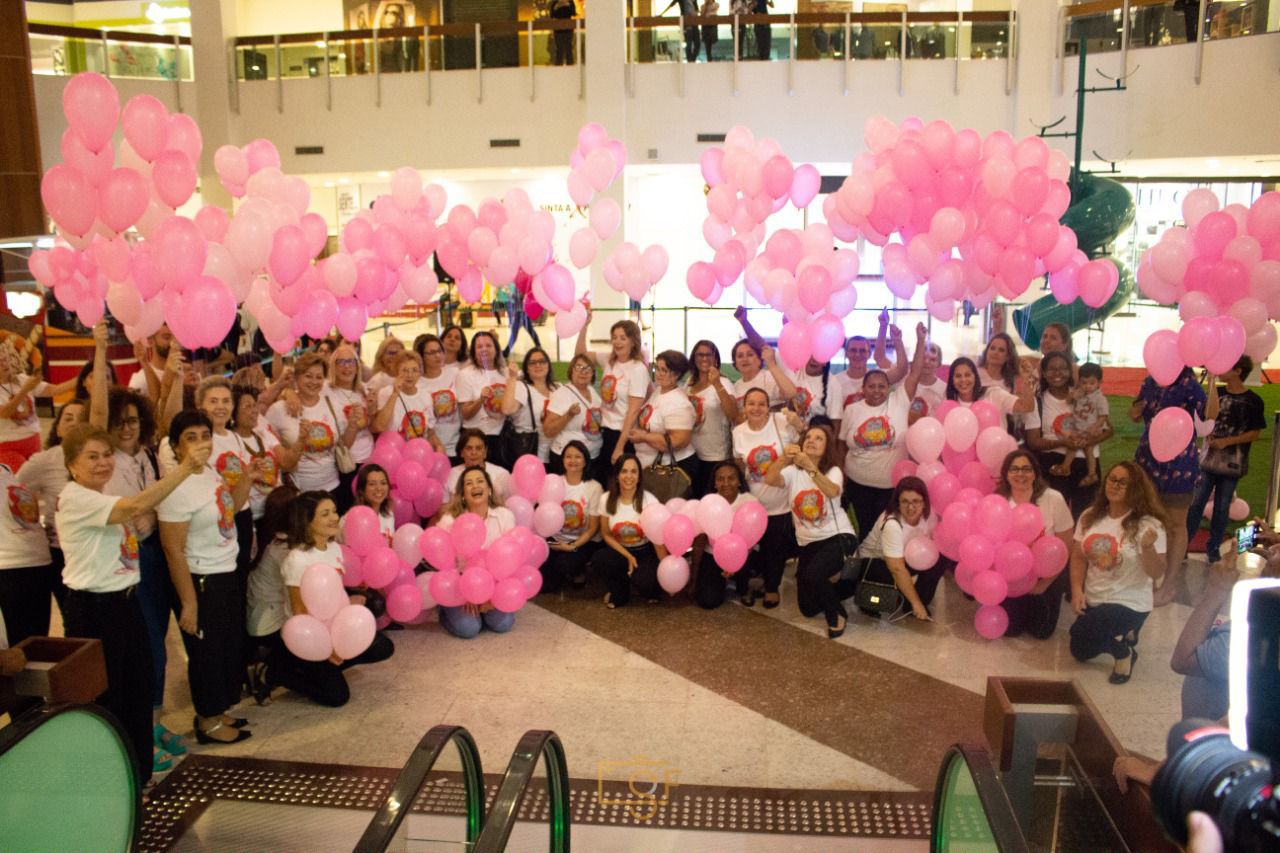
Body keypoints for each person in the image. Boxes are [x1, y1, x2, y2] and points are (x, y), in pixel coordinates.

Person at [56, 422, 211, 783]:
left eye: (107, 455)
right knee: (109, 700)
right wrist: (186, 468)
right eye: (91, 457)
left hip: (126, 602)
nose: (102, 462)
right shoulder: (77, 498)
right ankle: (114, 783)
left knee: (139, 691)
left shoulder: (102, 498)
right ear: (72, 465)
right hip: (93, 610)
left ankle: (140, 778)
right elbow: (138, 504)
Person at [158, 410, 261, 745]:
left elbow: (228, 512)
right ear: (175, 446)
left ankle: (218, 711)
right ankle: (207, 721)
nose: (201, 444)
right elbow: (173, 551)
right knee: (206, 653)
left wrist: (246, 478)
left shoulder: (210, 474)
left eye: (205, 436)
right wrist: (188, 603)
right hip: (201, 578)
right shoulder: (175, 487)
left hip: (224, 570)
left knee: (225, 646)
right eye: (191, 438)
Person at [270, 490, 394, 704]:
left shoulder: (334, 547)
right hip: (311, 637)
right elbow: (299, 611)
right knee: (337, 698)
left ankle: (330, 664)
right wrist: (326, 648)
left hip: (336, 626)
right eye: (325, 514)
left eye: (334, 511)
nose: (335, 517)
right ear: (308, 522)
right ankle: (277, 674)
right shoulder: (297, 559)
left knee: (383, 647)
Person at [1069, 461, 1168, 684]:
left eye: (1123, 483)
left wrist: (1148, 547)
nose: (1115, 485)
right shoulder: (1089, 516)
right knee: (1079, 651)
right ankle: (1126, 634)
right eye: (1112, 479)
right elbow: (1078, 557)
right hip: (1096, 599)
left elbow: (1156, 572)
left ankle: (1123, 652)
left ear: (1136, 489)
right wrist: (1076, 590)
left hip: (1129, 602)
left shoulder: (1149, 524)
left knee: (1084, 630)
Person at [765, 424, 856, 638]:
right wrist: (783, 459)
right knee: (808, 608)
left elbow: (832, 491)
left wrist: (810, 467)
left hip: (838, 537)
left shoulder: (833, 471)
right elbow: (770, 479)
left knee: (813, 575)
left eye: (818, 439)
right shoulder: (792, 472)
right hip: (808, 543)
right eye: (808, 437)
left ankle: (837, 615)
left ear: (827, 448)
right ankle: (848, 588)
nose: (811, 440)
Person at [839, 322, 927, 537]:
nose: (876, 390)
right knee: (864, 532)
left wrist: (920, 341)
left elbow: (914, 372)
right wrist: (842, 475)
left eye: (881, 386)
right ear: (863, 388)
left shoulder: (899, 402)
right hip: (857, 486)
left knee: (888, 532)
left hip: (891, 487)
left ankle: (884, 569)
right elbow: (842, 444)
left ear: (888, 388)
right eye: (871, 386)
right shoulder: (851, 409)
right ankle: (865, 570)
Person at [1131, 366, 1206, 607]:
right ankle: (1148, 580)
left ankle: (1169, 584)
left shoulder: (1190, 385)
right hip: (1148, 457)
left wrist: (1213, 381)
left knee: (1175, 524)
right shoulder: (1150, 382)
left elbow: (1208, 415)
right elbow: (1135, 413)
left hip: (1180, 462)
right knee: (1144, 519)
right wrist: (1137, 408)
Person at [1186, 357, 1266, 566]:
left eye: (1226, 366)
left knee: (1222, 507)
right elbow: (1207, 415)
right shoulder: (1217, 394)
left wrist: (1228, 441)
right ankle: (1184, 544)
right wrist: (1212, 383)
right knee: (1196, 504)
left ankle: (1213, 548)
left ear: (1238, 371)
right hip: (1208, 461)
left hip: (1233, 463)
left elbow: (1255, 433)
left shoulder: (1253, 401)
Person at [732, 388, 804, 608]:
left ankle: (772, 587)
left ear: (768, 406)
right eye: (751, 403)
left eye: (761, 404)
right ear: (744, 407)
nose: (756, 408)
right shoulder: (738, 432)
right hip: (752, 505)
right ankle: (747, 586)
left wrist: (799, 424)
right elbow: (738, 463)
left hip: (780, 502)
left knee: (776, 549)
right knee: (748, 548)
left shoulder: (782, 421)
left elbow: (804, 439)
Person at [17, 399, 87, 616]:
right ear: (57, 427)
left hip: (96, 549)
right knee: (75, 618)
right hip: (61, 552)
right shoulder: (44, 461)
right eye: (68, 418)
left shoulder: (106, 458)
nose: (74, 423)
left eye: (81, 418)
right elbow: (16, 493)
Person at [995, 451, 1075, 639]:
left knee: (1041, 632)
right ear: (1006, 474)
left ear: (1035, 473)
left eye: (1026, 469)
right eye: (1014, 469)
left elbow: (1066, 546)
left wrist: (1045, 584)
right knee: (1011, 630)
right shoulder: (999, 502)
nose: (1020, 474)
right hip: (1012, 576)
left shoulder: (1052, 498)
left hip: (1046, 575)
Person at [266, 353, 358, 513]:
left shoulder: (332, 404)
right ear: (296, 377)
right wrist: (287, 392)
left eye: (319, 377)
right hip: (298, 493)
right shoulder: (278, 410)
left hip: (333, 488)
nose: (314, 382)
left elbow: (345, 445)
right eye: (308, 376)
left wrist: (352, 425)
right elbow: (268, 446)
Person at [434, 467, 518, 637]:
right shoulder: (450, 520)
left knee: (503, 624)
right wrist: (467, 594)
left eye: (480, 481)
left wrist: (492, 597)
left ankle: (483, 612)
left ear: (488, 489)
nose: (475, 486)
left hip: (494, 585)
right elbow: (444, 566)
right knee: (469, 629)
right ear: (463, 493)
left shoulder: (505, 516)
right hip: (459, 586)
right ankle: (444, 610)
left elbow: (511, 561)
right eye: (469, 483)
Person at [194, 377, 259, 588]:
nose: (220, 407)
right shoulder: (199, 442)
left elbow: (244, 482)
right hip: (220, 520)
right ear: (200, 406)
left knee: (242, 579)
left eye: (225, 401)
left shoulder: (235, 437)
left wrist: (253, 530)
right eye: (213, 401)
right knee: (226, 582)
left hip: (243, 515)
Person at [1025, 353, 1106, 517]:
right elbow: (1033, 442)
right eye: (1052, 369)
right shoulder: (1037, 402)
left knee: (1085, 518)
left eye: (1063, 369)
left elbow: (1106, 431)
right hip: (1053, 466)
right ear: (1044, 373)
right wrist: (1063, 443)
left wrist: (1085, 440)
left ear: (1071, 372)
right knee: (1052, 517)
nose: (1057, 373)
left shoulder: (1086, 395)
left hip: (1087, 464)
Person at [575, 313, 650, 481]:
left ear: (633, 341)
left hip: (622, 434)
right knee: (602, 480)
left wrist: (620, 446)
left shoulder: (637, 369)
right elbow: (580, 355)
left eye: (623, 338)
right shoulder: (609, 360)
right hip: (605, 431)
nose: (617, 342)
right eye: (614, 337)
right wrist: (584, 327)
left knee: (619, 482)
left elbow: (633, 412)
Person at [855, 476, 938, 622]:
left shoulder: (929, 516)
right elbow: (896, 568)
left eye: (916, 501)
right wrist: (916, 603)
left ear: (924, 502)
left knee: (938, 561)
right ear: (898, 504)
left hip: (904, 558)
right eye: (905, 501)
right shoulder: (892, 523)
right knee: (892, 599)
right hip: (876, 563)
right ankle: (876, 601)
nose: (910, 507)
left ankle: (910, 601)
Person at [590, 455, 669, 608]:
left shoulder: (650, 501)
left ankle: (648, 587)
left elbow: (658, 542)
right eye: (624, 471)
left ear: (639, 477)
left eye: (634, 472)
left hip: (645, 551)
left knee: (646, 583)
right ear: (617, 476)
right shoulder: (606, 499)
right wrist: (628, 556)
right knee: (599, 559)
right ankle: (620, 588)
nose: (628, 476)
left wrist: (667, 573)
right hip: (620, 551)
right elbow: (606, 534)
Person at [244, 484, 297, 704]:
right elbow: (297, 596)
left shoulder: (277, 540)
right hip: (267, 623)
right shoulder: (282, 550)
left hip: (268, 614)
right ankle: (268, 670)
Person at [690, 461, 759, 609]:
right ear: (714, 483)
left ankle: (744, 587)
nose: (726, 483)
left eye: (731, 478)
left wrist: (734, 563)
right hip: (713, 554)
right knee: (708, 601)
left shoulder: (750, 502)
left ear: (739, 481)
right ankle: (721, 583)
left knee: (743, 577)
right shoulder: (708, 504)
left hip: (742, 554)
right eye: (720, 479)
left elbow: (751, 540)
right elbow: (700, 542)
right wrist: (694, 579)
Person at [232, 384, 299, 531]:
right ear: (233, 412)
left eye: (255, 405)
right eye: (247, 406)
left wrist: (301, 440)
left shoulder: (263, 433)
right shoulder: (230, 443)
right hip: (250, 518)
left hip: (277, 511)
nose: (254, 411)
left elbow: (287, 463)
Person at [0, 462, 53, 646]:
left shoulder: (5, 469)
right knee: (20, 648)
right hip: (10, 569)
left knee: (37, 646)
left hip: (37, 563)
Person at [629, 351, 698, 484]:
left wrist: (643, 437)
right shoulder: (659, 391)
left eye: (664, 370)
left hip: (672, 469)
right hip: (651, 466)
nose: (659, 373)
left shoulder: (679, 403)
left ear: (676, 374)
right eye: (657, 368)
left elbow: (677, 442)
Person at [541, 441, 601, 593]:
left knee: (568, 563)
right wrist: (551, 543)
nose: (573, 461)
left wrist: (572, 546)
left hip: (580, 542)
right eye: (568, 457)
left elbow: (593, 528)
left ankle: (578, 572)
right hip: (554, 540)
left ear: (585, 460)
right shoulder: (553, 482)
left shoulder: (594, 487)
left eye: (577, 457)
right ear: (562, 460)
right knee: (547, 586)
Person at [686, 340, 738, 496]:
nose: (704, 358)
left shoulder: (724, 382)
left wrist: (716, 384)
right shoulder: (688, 384)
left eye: (708, 355)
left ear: (715, 358)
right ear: (694, 358)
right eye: (700, 354)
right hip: (692, 453)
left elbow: (733, 414)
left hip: (716, 455)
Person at [326, 343, 377, 497]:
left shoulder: (365, 389)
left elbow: (373, 426)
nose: (346, 367)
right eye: (341, 362)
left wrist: (373, 411)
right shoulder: (325, 389)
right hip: (344, 462)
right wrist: (289, 394)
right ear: (333, 366)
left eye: (350, 362)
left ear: (357, 366)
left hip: (368, 458)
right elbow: (295, 389)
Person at [373, 352, 446, 454]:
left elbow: (430, 431)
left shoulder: (426, 396)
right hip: (392, 454)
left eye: (414, 370)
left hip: (418, 455)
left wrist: (438, 446)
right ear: (396, 372)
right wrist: (395, 394)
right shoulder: (386, 393)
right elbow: (379, 426)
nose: (410, 375)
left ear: (420, 373)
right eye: (405, 370)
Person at [544, 354, 604, 478]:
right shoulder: (562, 394)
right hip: (569, 461)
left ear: (593, 373)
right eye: (579, 367)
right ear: (571, 370)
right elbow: (548, 430)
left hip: (593, 457)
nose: (584, 372)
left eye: (588, 369)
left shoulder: (593, 391)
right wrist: (568, 415)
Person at [1055, 362, 1111, 488]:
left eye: (1092, 383)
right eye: (1084, 382)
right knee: (1073, 446)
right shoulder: (1079, 393)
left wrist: (1096, 426)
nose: (1087, 386)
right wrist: (1073, 395)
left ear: (1099, 382)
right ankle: (1066, 467)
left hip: (1090, 429)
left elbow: (1104, 416)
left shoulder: (1100, 399)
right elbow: (1068, 401)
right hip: (1079, 427)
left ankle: (1091, 474)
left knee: (1087, 449)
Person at [455, 331, 508, 465]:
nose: (484, 349)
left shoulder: (506, 373)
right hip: (476, 438)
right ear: (473, 351)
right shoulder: (465, 375)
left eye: (489, 346)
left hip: (502, 437)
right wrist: (480, 400)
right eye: (479, 347)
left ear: (496, 349)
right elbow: (466, 414)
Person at [500, 348, 557, 463]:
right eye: (532, 363)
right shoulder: (523, 387)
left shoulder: (557, 387)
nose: (538, 365)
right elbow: (507, 409)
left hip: (556, 452)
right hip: (531, 453)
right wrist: (512, 377)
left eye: (542, 361)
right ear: (527, 368)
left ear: (548, 365)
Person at [945, 355, 1036, 419]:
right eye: (958, 376)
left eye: (968, 375)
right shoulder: (948, 401)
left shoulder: (993, 394)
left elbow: (1027, 407)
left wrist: (1025, 380)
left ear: (975, 376)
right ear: (951, 379)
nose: (963, 380)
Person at [416, 334, 462, 460]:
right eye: (431, 353)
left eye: (440, 351)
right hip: (430, 447)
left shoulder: (455, 373)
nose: (437, 356)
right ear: (421, 356)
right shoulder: (417, 383)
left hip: (457, 444)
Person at [444, 429, 513, 505]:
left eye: (478, 448)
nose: (474, 452)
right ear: (462, 453)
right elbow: (443, 508)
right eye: (469, 448)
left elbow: (509, 506)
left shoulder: (502, 474)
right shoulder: (449, 474)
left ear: (485, 452)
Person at [729, 339, 796, 412]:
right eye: (740, 356)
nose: (745, 359)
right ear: (735, 364)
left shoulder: (769, 376)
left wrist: (771, 365)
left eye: (750, 354)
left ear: (760, 359)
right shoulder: (735, 386)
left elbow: (791, 393)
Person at [352, 464, 395, 546]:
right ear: (362, 490)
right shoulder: (353, 519)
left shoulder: (389, 515)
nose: (379, 488)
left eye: (383, 483)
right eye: (372, 484)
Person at [908, 340, 945, 424]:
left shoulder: (944, 390)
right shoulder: (906, 383)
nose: (926, 362)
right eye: (923, 358)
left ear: (939, 363)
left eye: (932, 360)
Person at [550, 0, 576, 66]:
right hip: (558, 30)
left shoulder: (570, 2)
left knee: (568, 47)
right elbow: (552, 15)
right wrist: (556, 7)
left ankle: (570, 65)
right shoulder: (555, 2)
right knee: (559, 48)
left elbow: (573, 13)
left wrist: (568, 5)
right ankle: (558, 65)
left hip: (568, 29)